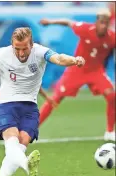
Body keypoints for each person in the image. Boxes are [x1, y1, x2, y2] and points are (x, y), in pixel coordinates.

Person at [0, 27, 85, 176]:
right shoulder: (0, 55)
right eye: (17, 49)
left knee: (22, 142)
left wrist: (74, 60)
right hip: (7, 104)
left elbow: (58, 58)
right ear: (12, 45)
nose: (21, 53)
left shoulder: (40, 52)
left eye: (25, 49)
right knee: (12, 141)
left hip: (30, 107)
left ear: (32, 44)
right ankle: (26, 164)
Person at [39, 9, 115, 141]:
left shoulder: (112, 37)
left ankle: (110, 131)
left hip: (96, 71)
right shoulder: (85, 29)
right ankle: (33, 128)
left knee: (112, 94)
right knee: (56, 98)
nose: (103, 26)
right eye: (101, 22)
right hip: (77, 69)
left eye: (106, 23)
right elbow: (68, 22)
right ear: (97, 22)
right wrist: (50, 22)